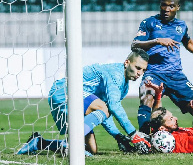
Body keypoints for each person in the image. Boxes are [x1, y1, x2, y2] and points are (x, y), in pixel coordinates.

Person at [17, 48, 151, 155]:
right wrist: (133, 133)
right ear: (127, 63)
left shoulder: (124, 87)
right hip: (63, 91)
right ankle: (73, 142)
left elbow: (106, 113)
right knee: (102, 110)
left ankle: (38, 143)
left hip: (77, 100)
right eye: (138, 68)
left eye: (143, 70)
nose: (140, 73)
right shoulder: (114, 74)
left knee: (90, 149)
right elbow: (111, 107)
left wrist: (118, 136)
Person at [131, 0, 193, 134]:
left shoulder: (181, 26)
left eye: (171, 6)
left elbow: (188, 42)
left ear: (178, 7)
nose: (166, 9)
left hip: (176, 76)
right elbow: (135, 45)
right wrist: (157, 41)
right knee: (147, 97)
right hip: (154, 73)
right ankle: (144, 139)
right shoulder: (149, 23)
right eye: (163, 5)